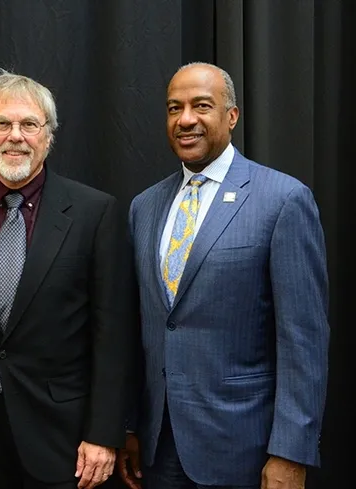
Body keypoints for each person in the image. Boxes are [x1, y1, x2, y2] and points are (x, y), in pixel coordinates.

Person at [118, 62, 330, 489]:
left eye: (201, 106)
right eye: (174, 108)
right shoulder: (145, 206)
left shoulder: (283, 200)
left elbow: (303, 340)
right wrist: (129, 426)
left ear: (231, 116)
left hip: (244, 451)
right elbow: (140, 328)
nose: (186, 120)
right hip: (159, 450)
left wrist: (291, 451)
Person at [0, 68, 135, 489]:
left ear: (48, 136)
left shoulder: (94, 212)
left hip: (63, 439)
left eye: (29, 124)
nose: (15, 136)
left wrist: (102, 434)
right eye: (2, 124)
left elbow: (113, 334)